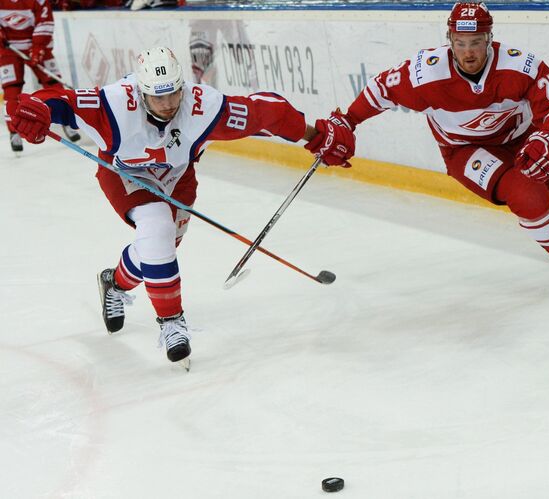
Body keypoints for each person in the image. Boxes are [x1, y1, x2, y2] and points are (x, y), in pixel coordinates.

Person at [10, 47, 355, 368]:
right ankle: (172, 322)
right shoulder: (115, 105)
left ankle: (114, 283)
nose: (168, 103)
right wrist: (38, 110)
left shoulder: (202, 106)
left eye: (174, 92)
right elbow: (60, 101)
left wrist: (316, 135)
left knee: (160, 248)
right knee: (156, 228)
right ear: (140, 92)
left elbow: (268, 113)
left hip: (177, 175)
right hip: (124, 173)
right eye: (157, 96)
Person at [331, 2, 549, 289]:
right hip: (464, 151)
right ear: (449, 39)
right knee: (528, 194)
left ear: (490, 40)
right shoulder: (424, 73)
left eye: (475, 43)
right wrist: (347, 121)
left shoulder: (520, 65)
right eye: (460, 43)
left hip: (524, 140)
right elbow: (379, 90)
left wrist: (548, 139)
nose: (468, 52)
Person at [0, 0, 80, 154]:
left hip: (38, 48)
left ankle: (68, 120)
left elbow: (45, 21)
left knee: (54, 85)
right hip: (9, 51)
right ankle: (14, 131)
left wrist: (38, 48)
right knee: (11, 90)